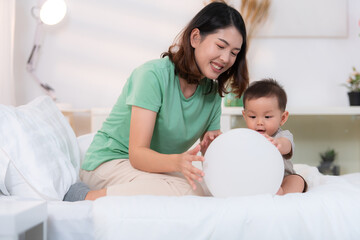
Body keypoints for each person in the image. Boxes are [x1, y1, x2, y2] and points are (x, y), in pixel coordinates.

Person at [70, 2, 249, 201]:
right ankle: (83, 197)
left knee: (208, 190)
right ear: (195, 38)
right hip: (110, 162)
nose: (225, 58)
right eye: (221, 46)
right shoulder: (152, 75)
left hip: (153, 168)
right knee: (189, 192)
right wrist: (178, 163)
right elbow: (137, 155)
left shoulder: (212, 93)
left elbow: (209, 150)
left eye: (234, 53)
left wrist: (214, 147)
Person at [241, 79, 307, 195]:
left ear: (282, 118)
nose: (259, 122)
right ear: (245, 116)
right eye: (252, 116)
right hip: (257, 179)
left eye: (267, 117)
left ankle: (283, 193)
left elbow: (286, 145)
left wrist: (278, 144)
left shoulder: (282, 135)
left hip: (283, 179)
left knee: (297, 180)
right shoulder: (245, 138)